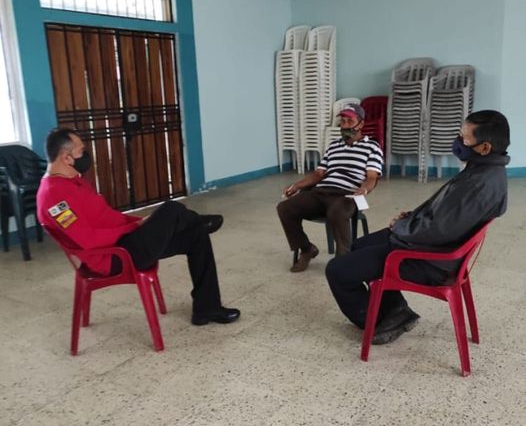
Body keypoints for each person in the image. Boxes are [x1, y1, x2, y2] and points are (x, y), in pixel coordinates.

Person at [326, 110, 510, 345]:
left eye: (464, 138)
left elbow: (439, 230)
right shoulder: (483, 170)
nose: (458, 142)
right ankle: (396, 308)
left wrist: (402, 226)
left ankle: (377, 320)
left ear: (484, 147)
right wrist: (412, 217)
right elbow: (445, 214)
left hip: (430, 260)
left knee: (337, 271)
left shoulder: (480, 183)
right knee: (358, 246)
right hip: (430, 245)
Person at [37, 128, 240, 326]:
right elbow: (88, 240)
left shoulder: (73, 181)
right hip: (114, 257)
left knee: (197, 235)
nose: (86, 154)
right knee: (171, 208)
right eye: (81, 150)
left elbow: (109, 217)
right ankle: (195, 220)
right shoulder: (54, 197)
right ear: (67, 158)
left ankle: (207, 308)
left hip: (123, 244)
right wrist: (133, 228)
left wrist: (139, 223)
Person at [277, 103, 383, 272]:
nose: (345, 126)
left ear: (361, 124)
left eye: (350, 121)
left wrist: (365, 188)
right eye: (343, 121)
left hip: (347, 195)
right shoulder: (334, 145)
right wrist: (295, 185)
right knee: (285, 208)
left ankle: (342, 261)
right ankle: (307, 249)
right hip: (322, 191)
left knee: (337, 211)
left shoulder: (372, 147)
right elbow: (319, 174)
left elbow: (372, 177)